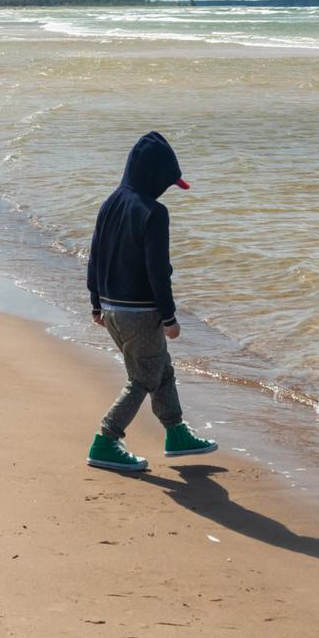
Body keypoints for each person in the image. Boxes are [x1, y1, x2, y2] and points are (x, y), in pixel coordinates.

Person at [86, 131, 217, 472]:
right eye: (167, 183)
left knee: (161, 369)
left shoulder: (109, 203)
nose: (166, 190)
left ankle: (176, 433)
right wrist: (170, 317)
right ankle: (106, 440)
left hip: (112, 310)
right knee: (143, 378)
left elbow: (94, 256)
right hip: (141, 312)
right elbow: (158, 271)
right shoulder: (154, 213)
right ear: (154, 177)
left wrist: (96, 303)